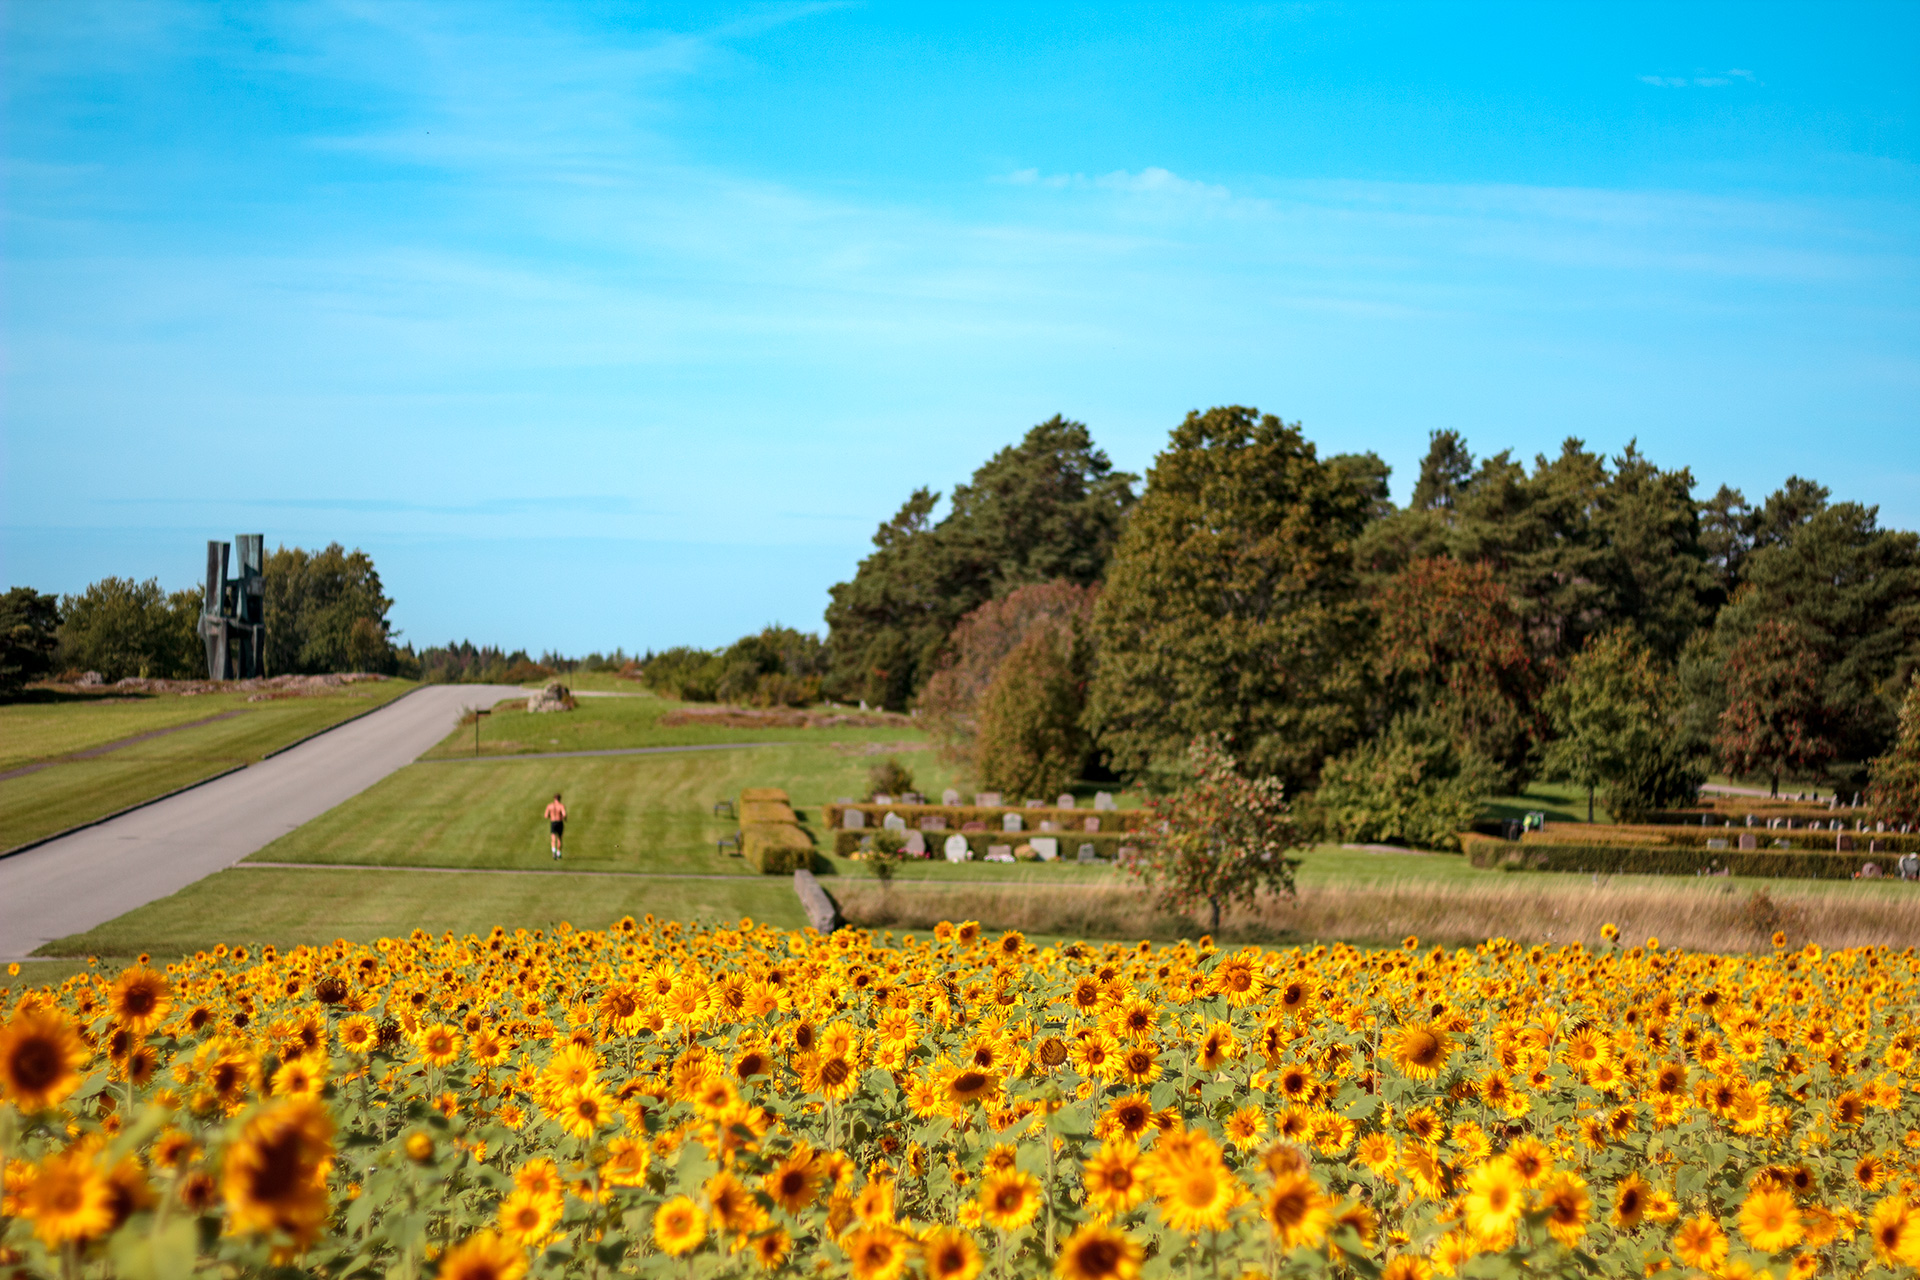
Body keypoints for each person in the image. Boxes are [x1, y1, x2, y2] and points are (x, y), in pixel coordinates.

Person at [545, 793, 567, 860]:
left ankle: (553, 852)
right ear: (559, 799)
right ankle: (559, 853)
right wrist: (565, 819)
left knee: (553, 838)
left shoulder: (549, 806)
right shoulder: (561, 806)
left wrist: (551, 816)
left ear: (554, 799)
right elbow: (564, 814)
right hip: (559, 822)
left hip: (553, 822)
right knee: (559, 838)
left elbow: (546, 815)